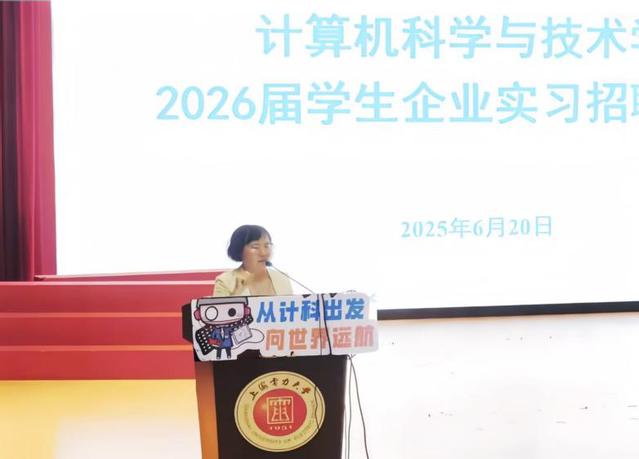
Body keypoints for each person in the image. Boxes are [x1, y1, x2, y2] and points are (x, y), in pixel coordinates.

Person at [213, 225, 293, 297]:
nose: (263, 253)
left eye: (267, 246)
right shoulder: (225, 281)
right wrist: (237, 293)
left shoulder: (282, 277)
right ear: (239, 250)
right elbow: (221, 308)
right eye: (255, 247)